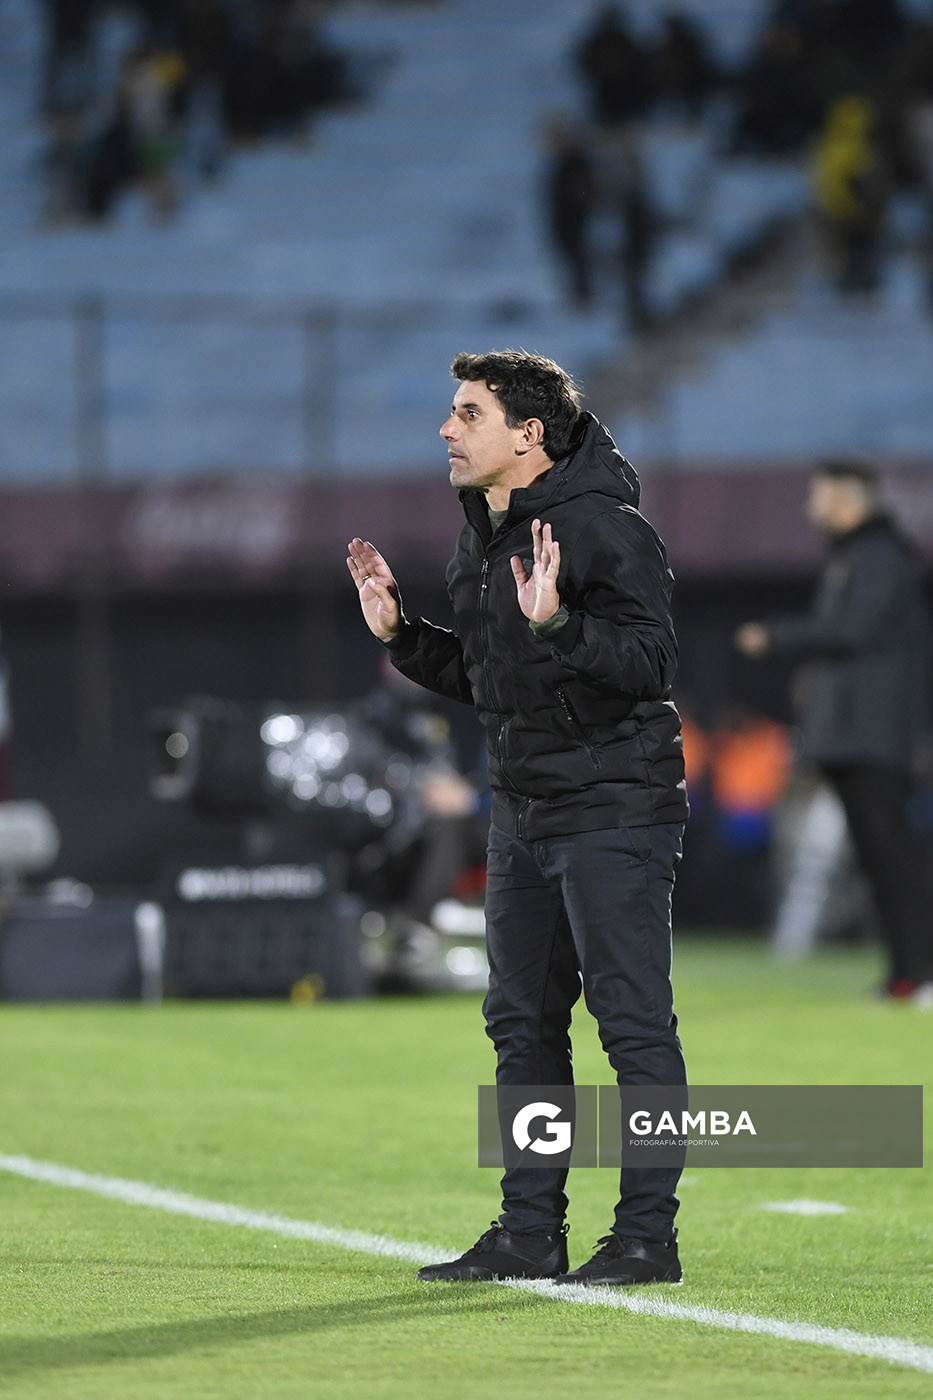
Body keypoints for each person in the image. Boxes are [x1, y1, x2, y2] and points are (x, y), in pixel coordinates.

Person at [347, 349, 688, 1286]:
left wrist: (558, 625)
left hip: (614, 807)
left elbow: (650, 666)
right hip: (525, 812)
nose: (447, 430)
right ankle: (529, 1230)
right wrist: (402, 638)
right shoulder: (486, 533)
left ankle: (646, 1239)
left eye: (467, 413)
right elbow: (490, 681)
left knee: (632, 1028)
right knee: (522, 1025)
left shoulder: (606, 528)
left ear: (526, 434)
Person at [735, 457, 932, 1001]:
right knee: (877, 860)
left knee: (893, 858)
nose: (810, 507)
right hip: (856, 735)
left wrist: (776, 637)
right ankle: (904, 977)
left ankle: (921, 974)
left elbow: (852, 630)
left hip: (872, 737)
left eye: (819, 497)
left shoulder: (878, 558)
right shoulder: (865, 556)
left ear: (848, 503)